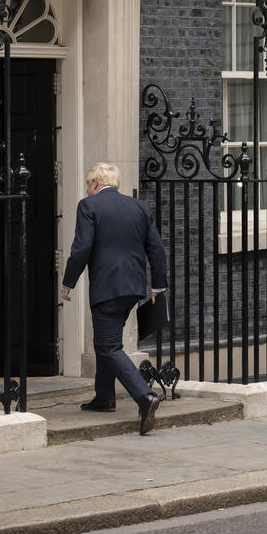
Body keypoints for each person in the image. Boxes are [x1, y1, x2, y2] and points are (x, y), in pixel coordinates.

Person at [60, 163, 167, 435]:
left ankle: (145, 396)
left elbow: (81, 247)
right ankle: (104, 397)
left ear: (96, 183)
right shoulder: (139, 207)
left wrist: (68, 281)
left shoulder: (89, 205)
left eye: (88, 184)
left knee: (108, 347)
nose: (87, 189)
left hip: (107, 288)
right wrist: (158, 286)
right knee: (107, 341)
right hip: (133, 287)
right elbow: (156, 249)